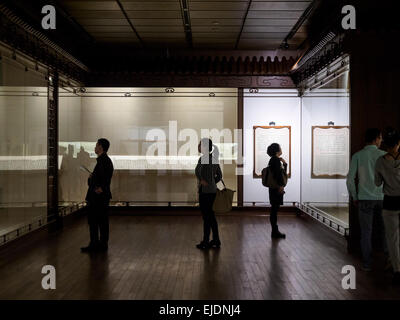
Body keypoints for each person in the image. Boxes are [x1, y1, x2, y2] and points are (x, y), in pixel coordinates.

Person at [346, 128, 386, 271]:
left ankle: (367, 263)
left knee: (366, 232)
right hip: (383, 198)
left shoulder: (358, 156)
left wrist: (355, 197)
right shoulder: (384, 155)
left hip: (364, 198)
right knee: (386, 230)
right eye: (380, 138)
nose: (381, 141)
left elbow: (350, 180)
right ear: (375, 139)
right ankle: (388, 261)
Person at [375, 128, 400, 285]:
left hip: (390, 202)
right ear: (398, 143)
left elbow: (377, 183)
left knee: (392, 238)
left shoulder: (380, 161)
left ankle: (397, 270)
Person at [81, 138, 114, 253]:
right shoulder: (105, 161)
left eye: (96, 145)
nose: (95, 147)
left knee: (95, 222)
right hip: (100, 197)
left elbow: (103, 179)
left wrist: (97, 186)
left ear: (100, 147)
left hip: (97, 198)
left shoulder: (103, 161)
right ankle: (101, 244)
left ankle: (95, 245)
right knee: (102, 221)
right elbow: (104, 178)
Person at [195, 138, 222, 249]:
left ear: (205, 147)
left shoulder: (203, 159)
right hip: (212, 191)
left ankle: (206, 241)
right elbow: (219, 176)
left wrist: (203, 181)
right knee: (211, 217)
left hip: (205, 192)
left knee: (207, 217)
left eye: (200, 144)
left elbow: (199, 173)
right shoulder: (214, 158)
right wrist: (212, 183)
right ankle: (215, 240)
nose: (198, 146)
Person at [267, 143, 287, 239]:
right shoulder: (275, 160)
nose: (281, 149)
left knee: (274, 209)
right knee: (274, 209)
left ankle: (275, 231)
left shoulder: (273, 160)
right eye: (280, 147)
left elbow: (280, 173)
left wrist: (285, 164)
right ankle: (275, 232)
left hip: (274, 188)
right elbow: (278, 175)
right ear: (277, 150)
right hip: (276, 188)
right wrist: (280, 186)